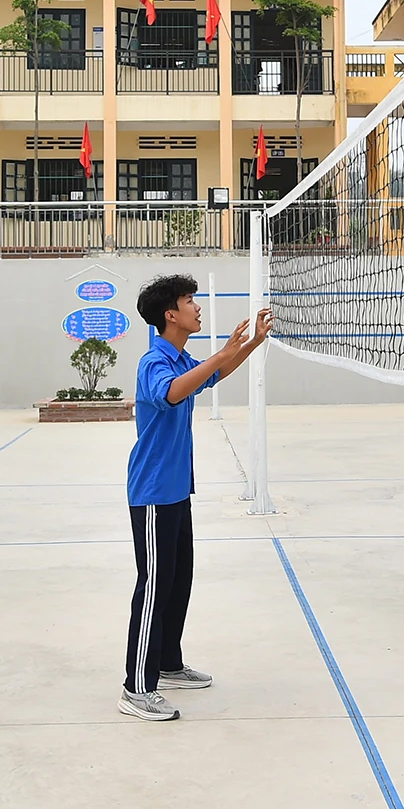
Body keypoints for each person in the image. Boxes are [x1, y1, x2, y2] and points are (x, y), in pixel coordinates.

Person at [121, 275, 273, 721]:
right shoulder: (155, 362)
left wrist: (249, 346)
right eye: (190, 301)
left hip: (174, 491)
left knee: (177, 580)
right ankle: (136, 687)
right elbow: (172, 393)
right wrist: (223, 353)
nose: (196, 307)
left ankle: (167, 663)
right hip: (151, 493)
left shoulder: (181, 358)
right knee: (152, 587)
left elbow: (213, 374)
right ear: (171, 314)